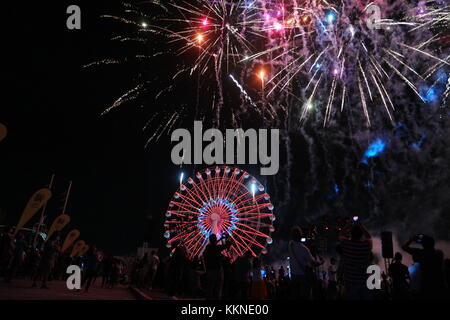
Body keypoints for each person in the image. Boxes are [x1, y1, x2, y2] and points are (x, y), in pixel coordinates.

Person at [336, 222, 373, 300]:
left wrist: (347, 225)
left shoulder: (346, 244)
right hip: (364, 281)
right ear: (361, 234)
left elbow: (340, 236)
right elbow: (369, 237)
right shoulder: (366, 245)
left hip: (350, 282)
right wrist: (361, 226)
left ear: (351, 234)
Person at [402, 234, 445, 299]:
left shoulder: (421, 253)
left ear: (423, 244)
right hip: (438, 285)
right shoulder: (439, 254)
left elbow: (404, 247)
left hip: (425, 285)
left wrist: (411, 239)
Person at [288, 226, 324, 300]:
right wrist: (321, 262)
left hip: (293, 275)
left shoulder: (290, 245)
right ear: (300, 235)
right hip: (302, 276)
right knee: (305, 295)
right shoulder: (304, 249)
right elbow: (314, 263)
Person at [203, 233, 231, 300]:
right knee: (218, 288)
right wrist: (227, 237)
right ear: (215, 239)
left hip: (210, 270)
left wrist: (220, 239)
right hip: (217, 269)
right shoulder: (217, 248)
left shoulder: (208, 247)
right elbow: (227, 245)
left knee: (210, 287)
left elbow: (213, 245)